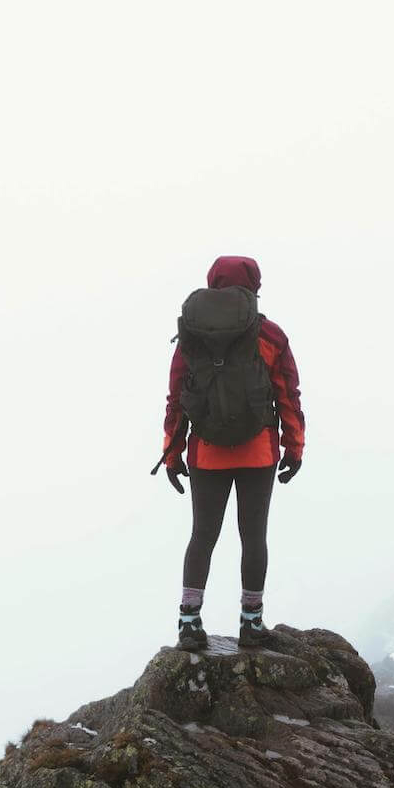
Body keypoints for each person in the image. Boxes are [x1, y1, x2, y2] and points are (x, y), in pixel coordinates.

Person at [157, 256, 304, 652]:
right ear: (253, 288)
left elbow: (177, 399)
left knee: (202, 536)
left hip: (207, 454)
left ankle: (189, 622)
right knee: (253, 536)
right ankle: (251, 623)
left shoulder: (191, 336)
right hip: (258, 454)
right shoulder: (268, 335)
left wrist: (172, 455)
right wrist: (295, 446)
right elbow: (288, 393)